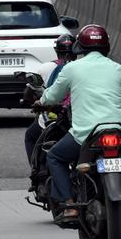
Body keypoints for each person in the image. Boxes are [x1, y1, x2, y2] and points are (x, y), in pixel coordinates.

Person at [40, 25, 121, 223]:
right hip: (117, 130)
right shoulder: (117, 68)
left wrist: (41, 101)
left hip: (85, 134)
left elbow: (52, 95)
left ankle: (69, 206)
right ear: (107, 46)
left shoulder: (71, 68)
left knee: (55, 157)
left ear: (79, 47)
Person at [24, 34, 75, 164]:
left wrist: (39, 103)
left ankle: (35, 173)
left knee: (30, 137)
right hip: (78, 117)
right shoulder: (84, 67)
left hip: (53, 117)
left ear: (56, 51)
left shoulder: (46, 68)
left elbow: (30, 94)